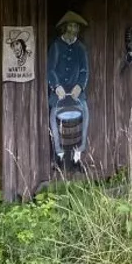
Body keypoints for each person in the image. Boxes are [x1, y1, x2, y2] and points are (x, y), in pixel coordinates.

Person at [47, 11, 89, 164]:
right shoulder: (56, 46)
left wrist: (80, 86)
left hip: (76, 91)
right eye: (71, 26)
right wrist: (56, 86)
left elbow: (85, 71)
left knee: (84, 112)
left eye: (76, 26)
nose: (73, 30)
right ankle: (59, 154)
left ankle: (78, 156)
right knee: (53, 117)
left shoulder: (81, 48)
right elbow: (50, 69)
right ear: (65, 28)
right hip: (59, 92)